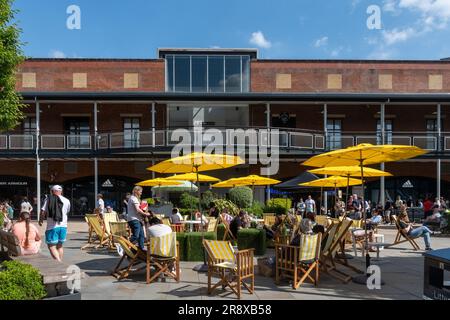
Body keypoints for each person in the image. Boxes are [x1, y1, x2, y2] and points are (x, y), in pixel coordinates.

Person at [39, 185, 70, 262]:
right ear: (61, 191)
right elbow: (67, 211)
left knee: (51, 246)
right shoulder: (67, 200)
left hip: (52, 227)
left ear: (52, 191)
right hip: (63, 226)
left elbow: (43, 211)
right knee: (59, 246)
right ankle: (60, 262)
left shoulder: (48, 199)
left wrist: (41, 220)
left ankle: (58, 262)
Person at [126, 186, 151, 250]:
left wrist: (144, 206)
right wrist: (145, 213)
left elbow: (138, 208)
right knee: (136, 236)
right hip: (134, 219)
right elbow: (137, 209)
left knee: (141, 236)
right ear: (136, 191)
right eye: (140, 192)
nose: (141, 193)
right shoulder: (134, 198)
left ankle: (141, 250)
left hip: (135, 219)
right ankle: (124, 243)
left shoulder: (132, 198)